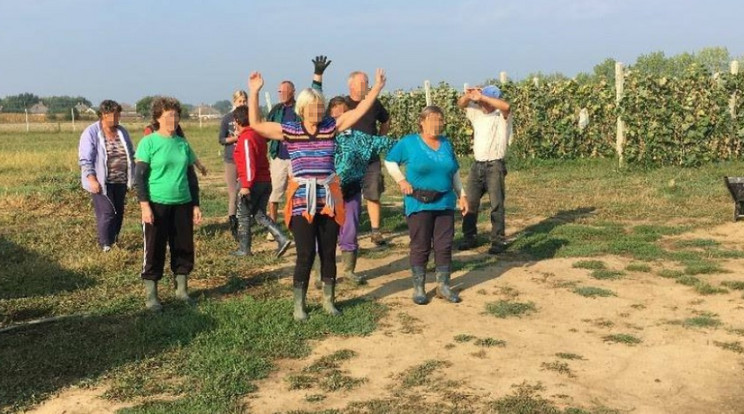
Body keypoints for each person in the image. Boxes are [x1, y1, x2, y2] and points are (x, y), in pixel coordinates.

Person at [247, 65, 386, 321]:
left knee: (328, 251)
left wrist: (376, 88)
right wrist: (254, 92)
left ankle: (328, 300)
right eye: (313, 107)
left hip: (328, 199)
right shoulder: (291, 129)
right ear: (302, 109)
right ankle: (299, 305)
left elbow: (359, 111)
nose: (318, 111)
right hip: (301, 198)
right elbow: (255, 124)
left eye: (320, 106)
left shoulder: (331, 127)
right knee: (305, 254)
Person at [384, 106, 468, 305]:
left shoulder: (446, 144)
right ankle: (419, 288)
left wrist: (462, 195)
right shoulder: (409, 142)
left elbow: (453, 172)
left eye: (439, 120)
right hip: (418, 201)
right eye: (431, 120)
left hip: (445, 201)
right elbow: (390, 161)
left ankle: (443, 286)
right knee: (421, 245)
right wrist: (401, 181)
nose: (435, 124)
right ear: (421, 122)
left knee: (444, 244)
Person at [311, 97, 396, 287]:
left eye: (344, 113)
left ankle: (348, 271)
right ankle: (319, 275)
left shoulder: (360, 138)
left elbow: (387, 144)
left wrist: (413, 147)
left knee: (349, 230)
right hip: (326, 194)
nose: (339, 116)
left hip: (351, 191)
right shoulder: (322, 137)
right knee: (324, 233)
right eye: (335, 113)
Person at [134, 96, 202, 312]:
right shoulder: (149, 142)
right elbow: (139, 177)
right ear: (158, 118)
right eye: (168, 115)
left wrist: (195, 205)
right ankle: (152, 295)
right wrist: (144, 205)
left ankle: (181, 290)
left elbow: (191, 177)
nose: (173, 119)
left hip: (182, 203)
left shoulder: (182, 144)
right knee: (154, 248)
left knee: (183, 246)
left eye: (176, 115)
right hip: (156, 204)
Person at [266, 56, 329, 236]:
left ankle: (297, 224)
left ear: (293, 92)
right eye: (280, 91)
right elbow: (265, 129)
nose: (282, 94)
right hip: (278, 157)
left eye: (286, 91)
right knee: (275, 193)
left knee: (296, 193)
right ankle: (274, 228)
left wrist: (317, 76)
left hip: (297, 159)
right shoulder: (276, 110)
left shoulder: (299, 110)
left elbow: (314, 99)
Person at [456, 85, 512, 255]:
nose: (481, 104)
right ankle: (469, 237)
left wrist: (483, 98)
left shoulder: (501, 116)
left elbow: (506, 107)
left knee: (496, 204)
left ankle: (497, 240)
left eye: (485, 100)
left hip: (495, 164)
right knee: (470, 202)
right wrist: (469, 95)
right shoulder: (476, 113)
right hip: (477, 164)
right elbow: (461, 104)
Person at [231, 105, 292, 257]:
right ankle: (281, 238)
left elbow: (248, 163)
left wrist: (246, 186)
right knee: (259, 214)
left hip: (253, 183)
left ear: (238, 121)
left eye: (234, 122)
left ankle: (244, 249)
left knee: (243, 215)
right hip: (265, 181)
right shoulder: (258, 135)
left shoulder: (246, 138)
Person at [78, 100, 135, 252]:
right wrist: (92, 179)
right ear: (103, 115)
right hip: (101, 181)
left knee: (118, 212)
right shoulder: (91, 132)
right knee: (108, 212)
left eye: (118, 116)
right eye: (113, 116)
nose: (117, 119)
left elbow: (131, 153)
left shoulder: (122, 131)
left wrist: (134, 176)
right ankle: (105, 244)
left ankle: (114, 240)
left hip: (121, 180)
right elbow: (85, 159)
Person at [345, 71, 391, 246]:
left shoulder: (374, 103)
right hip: (349, 159)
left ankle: (375, 231)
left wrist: (379, 140)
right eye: (363, 82)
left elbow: (386, 120)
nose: (366, 85)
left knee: (373, 193)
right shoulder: (344, 104)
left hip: (370, 157)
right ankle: (347, 232)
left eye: (367, 82)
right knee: (347, 196)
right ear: (352, 85)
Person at [218, 90, 248, 241]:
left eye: (244, 101)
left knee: (244, 190)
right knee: (233, 194)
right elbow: (221, 139)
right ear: (234, 102)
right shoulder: (227, 118)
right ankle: (233, 225)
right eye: (239, 101)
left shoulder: (249, 117)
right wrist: (234, 138)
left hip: (245, 159)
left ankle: (245, 221)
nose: (242, 103)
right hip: (231, 159)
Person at [143, 121, 208, 177]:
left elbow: (186, 147)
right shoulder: (150, 130)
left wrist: (199, 165)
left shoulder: (175, 128)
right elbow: (145, 156)